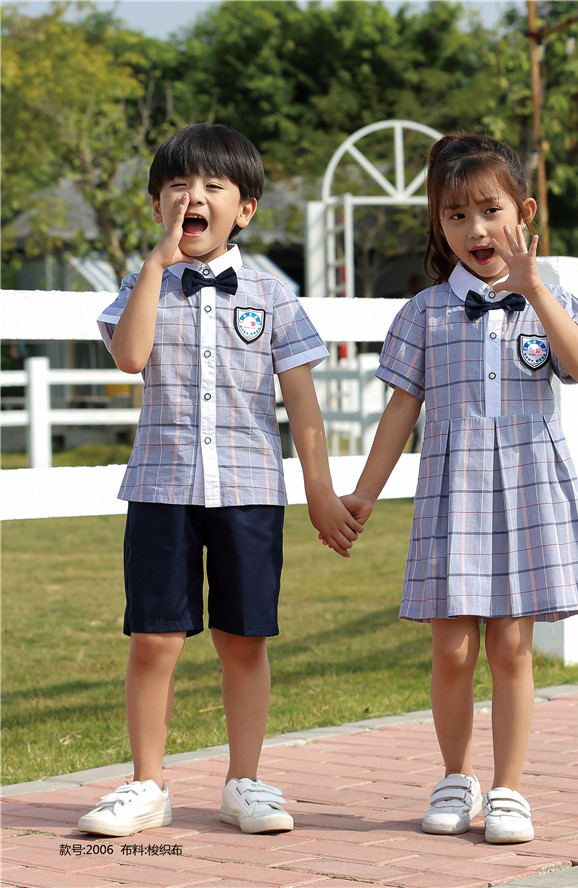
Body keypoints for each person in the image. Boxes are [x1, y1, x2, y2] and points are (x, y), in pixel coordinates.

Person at [78, 123, 363, 838]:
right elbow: (130, 356)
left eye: (212, 185)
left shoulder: (272, 294)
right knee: (154, 639)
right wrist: (156, 264)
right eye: (178, 186)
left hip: (250, 492)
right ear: (157, 205)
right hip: (162, 490)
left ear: (246, 208)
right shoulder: (141, 284)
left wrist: (320, 492)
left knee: (243, 639)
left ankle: (246, 782)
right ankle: (147, 784)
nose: (193, 197)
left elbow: (302, 403)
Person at [340, 133, 578, 844]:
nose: (476, 230)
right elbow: (401, 410)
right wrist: (363, 493)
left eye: (490, 211)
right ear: (439, 224)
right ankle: (456, 777)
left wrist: (535, 288)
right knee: (452, 650)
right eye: (456, 216)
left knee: (512, 648)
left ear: (524, 213)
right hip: (453, 493)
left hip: (527, 488)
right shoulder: (425, 311)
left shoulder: (551, 303)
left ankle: (510, 789)